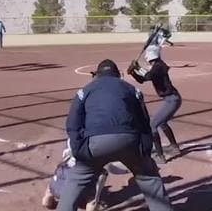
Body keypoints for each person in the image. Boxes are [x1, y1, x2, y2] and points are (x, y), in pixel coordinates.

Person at [57, 59, 174, 211]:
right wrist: (144, 150)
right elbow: (144, 122)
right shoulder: (132, 89)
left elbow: (73, 123)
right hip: (129, 141)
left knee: (76, 181)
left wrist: (80, 150)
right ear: (118, 75)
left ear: (97, 75)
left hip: (94, 143)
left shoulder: (84, 91)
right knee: (150, 178)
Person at [127, 44, 182, 164]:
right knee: (162, 123)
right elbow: (142, 80)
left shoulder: (159, 66)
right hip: (170, 99)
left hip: (172, 99)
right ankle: (174, 147)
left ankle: (160, 156)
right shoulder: (157, 65)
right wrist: (133, 72)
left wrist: (138, 67)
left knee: (152, 124)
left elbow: (148, 76)